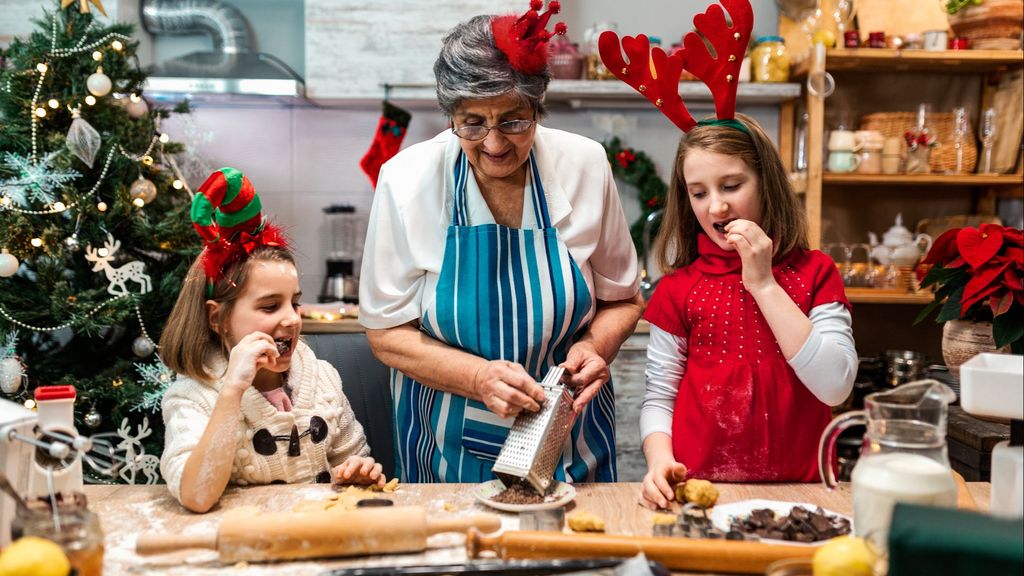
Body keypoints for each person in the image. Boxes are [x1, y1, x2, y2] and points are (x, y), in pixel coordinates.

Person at [359, 1, 643, 484]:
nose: (493, 143)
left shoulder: (585, 165)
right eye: (472, 122)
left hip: (568, 436)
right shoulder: (405, 180)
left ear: (538, 108)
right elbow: (386, 334)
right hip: (444, 444)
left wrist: (597, 345)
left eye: (513, 121)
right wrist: (478, 378)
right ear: (450, 116)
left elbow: (625, 300)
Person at [595, 0, 856, 510]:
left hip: (801, 494)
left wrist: (763, 283)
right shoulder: (677, 289)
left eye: (732, 185)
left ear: (766, 184)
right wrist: (658, 460)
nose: (715, 205)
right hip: (702, 494)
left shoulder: (816, 273)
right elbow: (659, 400)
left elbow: (834, 387)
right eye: (698, 192)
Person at [160, 168, 383, 513]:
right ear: (217, 319)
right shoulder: (194, 397)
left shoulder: (321, 379)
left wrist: (358, 473)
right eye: (269, 306)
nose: (292, 318)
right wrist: (232, 391)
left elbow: (352, 461)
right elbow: (196, 496)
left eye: (294, 302)